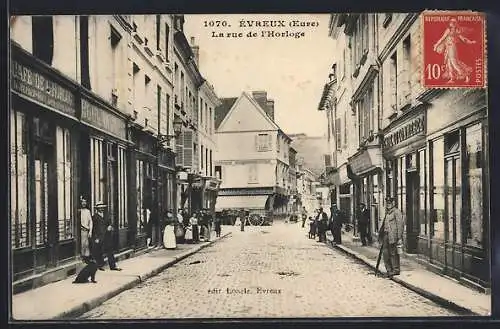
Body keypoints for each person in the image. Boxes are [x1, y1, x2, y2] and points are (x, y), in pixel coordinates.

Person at [433, 18, 476, 84]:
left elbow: (463, 39)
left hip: (452, 47)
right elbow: (442, 38)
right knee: (449, 63)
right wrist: (436, 45)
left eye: (453, 22)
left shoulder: (456, 30)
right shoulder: (449, 30)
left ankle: (466, 75)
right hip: (448, 48)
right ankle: (452, 78)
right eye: (451, 22)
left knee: (454, 62)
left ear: (455, 24)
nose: (451, 23)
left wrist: (471, 42)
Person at [379, 197, 404, 277]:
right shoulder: (387, 213)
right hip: (385, 235)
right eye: (387, 203)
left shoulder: (396, 212)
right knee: (385, 253)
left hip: (393, 236)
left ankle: (395, 269)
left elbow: (400, 225)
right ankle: (389, 270)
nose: (388, 204)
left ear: (393, 203)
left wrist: (399, 237)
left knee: (393, 253)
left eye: (390, 203)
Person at [92, 202, 121, 271]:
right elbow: (93, 229)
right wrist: (96, 238)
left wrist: (110, 226)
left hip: (107, 235)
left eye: (102, 208)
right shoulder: (94, 217)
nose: (101, 209)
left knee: (110, 251)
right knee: (99, 251)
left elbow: (110, 223)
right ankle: (100, 265)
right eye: (100, 208)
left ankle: (113, 266)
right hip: (99, 236)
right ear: (97, 209)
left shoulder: (106, 216)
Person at [79, 197, 93, 263]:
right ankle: (83, 258)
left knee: (87, 244)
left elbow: (90, 221)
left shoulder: (88, 211)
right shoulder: (79, 211)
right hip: (82, 230)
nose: (84, 203)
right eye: (82, 202)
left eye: (85, 202)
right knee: (83, 244)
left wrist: (90, 231)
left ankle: (87, 258)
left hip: (87, 230)